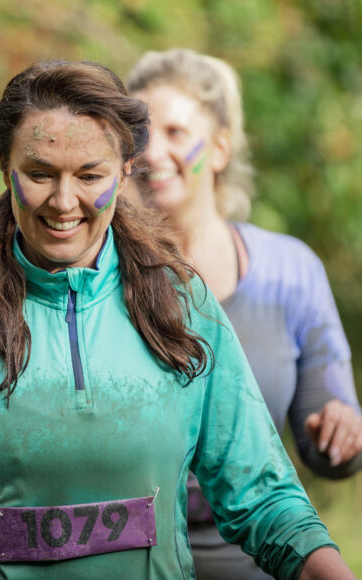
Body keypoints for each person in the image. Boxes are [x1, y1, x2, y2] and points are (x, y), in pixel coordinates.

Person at [0, 60, 357, 579]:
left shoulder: (183, 311)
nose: (65, 202)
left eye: (90, 175)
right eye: (40, 173)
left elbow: (265, 502)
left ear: (126, 170)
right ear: (6, 170)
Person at [126, 48, 362, 579]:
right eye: (138, 135)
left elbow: (326, 439)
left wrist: (342, 433)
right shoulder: (98, 276)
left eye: (175, 132)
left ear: (221, 148)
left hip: (259, 564)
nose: (151, 152)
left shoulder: (290, 271)